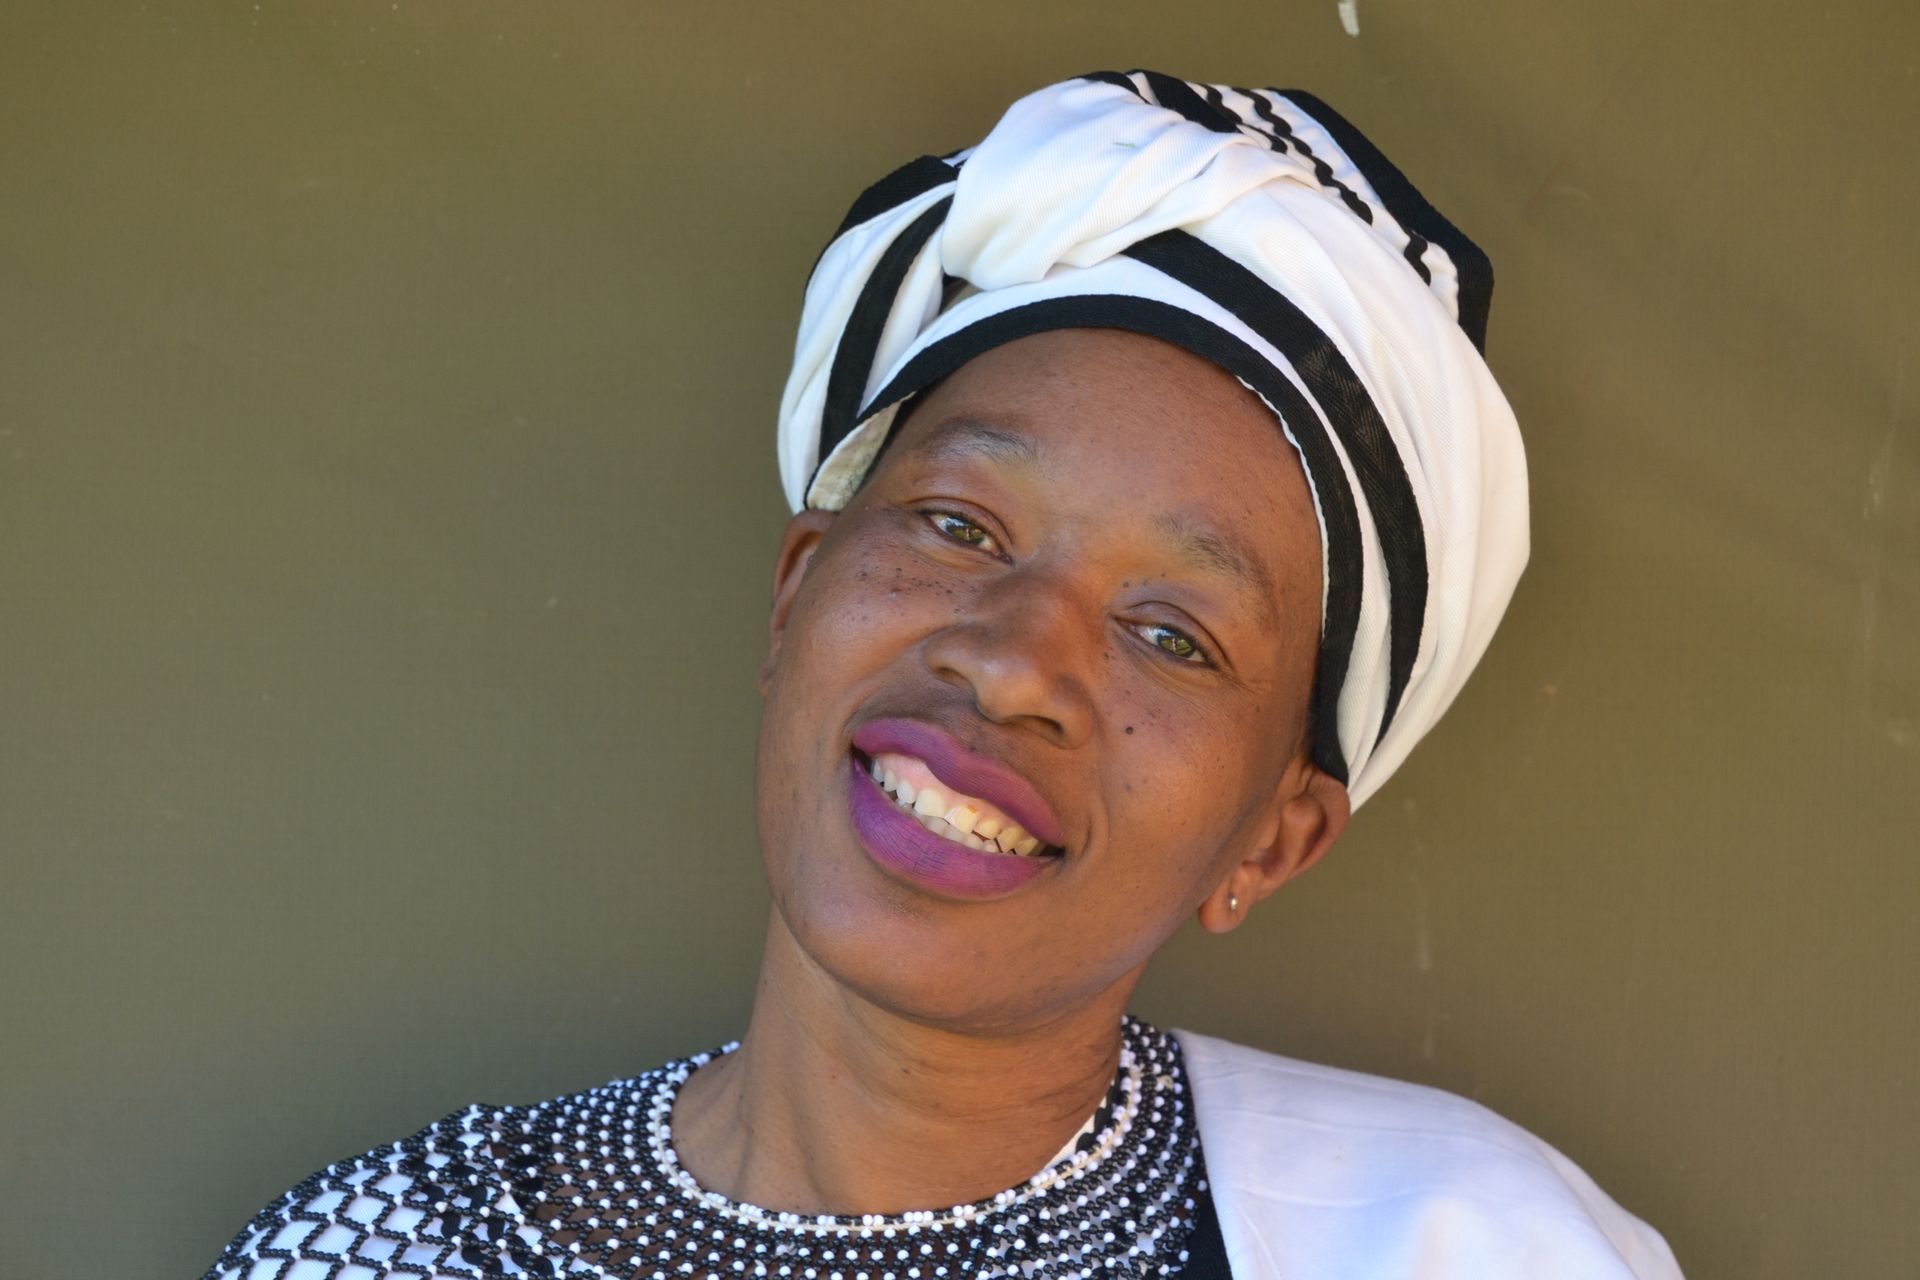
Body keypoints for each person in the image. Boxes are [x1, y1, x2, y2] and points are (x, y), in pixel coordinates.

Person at [204, 71, 1683, 1280]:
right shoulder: (373, 1253)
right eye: (963, 526)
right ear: (796, 599)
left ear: (1270, 840)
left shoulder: (1455, 1247)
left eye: (1175, 634)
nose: (1017, 660)